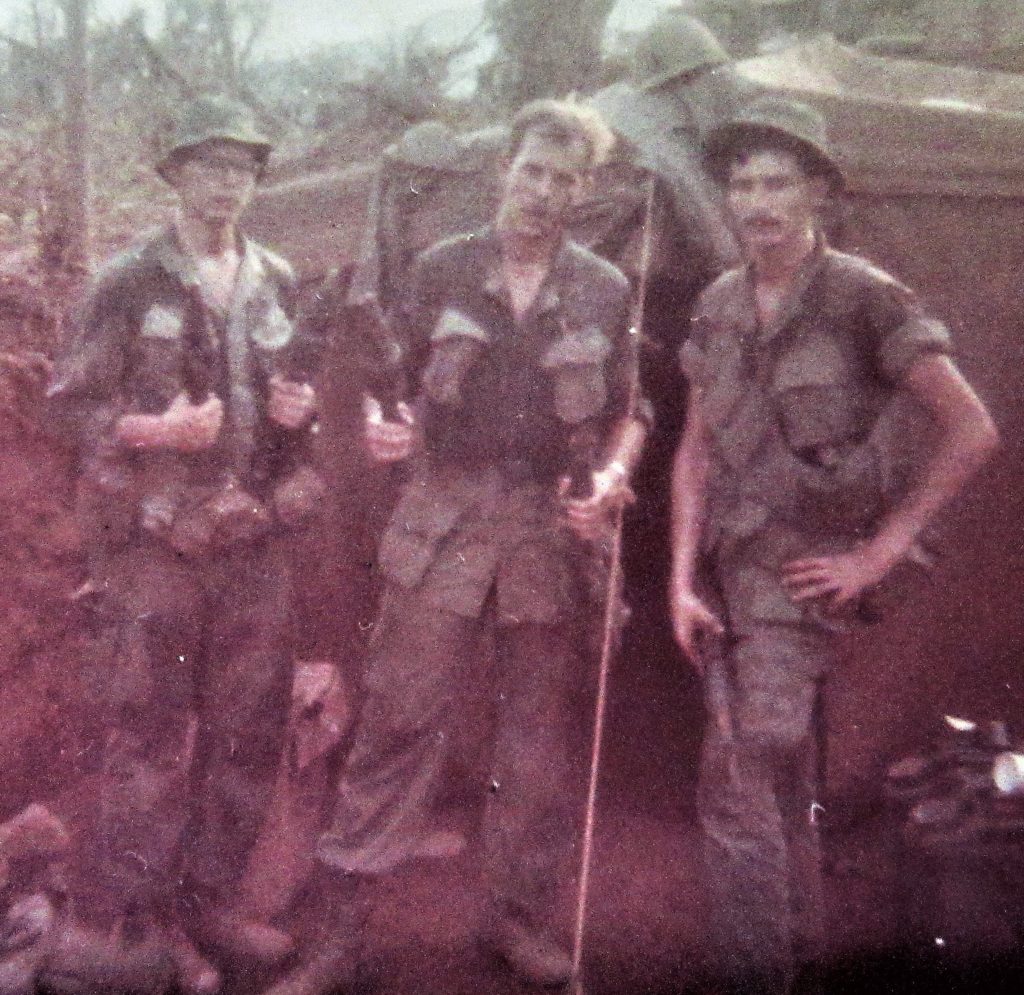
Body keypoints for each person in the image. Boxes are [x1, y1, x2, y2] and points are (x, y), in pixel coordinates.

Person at [266, 99, 646, 995]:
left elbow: (635, 410)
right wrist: (382, 423)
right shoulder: (442, 266)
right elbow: (378, 375)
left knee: (534, 746)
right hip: (442, 519)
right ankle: (340, 934)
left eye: (563, 179)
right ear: (502, 173)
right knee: (397, 721)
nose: (543, 193)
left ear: (583, 193)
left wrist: (611, 475)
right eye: (531, 172)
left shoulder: (602, 287)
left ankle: (514, 918)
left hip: (547, 534)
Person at [669, 96, 998, 993]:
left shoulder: (864, 296)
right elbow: (695, 452)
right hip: (732, 572)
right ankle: (800, 953)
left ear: (817, 191)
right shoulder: (720, 302)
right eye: (741, 182)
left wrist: (877, 554)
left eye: (778, 181)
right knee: (777, 775)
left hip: (807, 576)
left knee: (738, 777)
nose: (756, 201)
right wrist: (678, 580)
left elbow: (972, 430)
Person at [46, 94, 321, 994]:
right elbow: (69, 408)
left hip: (250, 541)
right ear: (175, 176)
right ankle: (145, 922)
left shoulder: (275, 276)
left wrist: (297, 412)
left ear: (254, 181)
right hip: (159, 551)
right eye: (206, 165)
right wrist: (154, 434)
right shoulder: (129, 281)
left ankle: (209, 902)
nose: (224, 183)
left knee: (248, 733)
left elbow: (294, 413)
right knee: (152, 739)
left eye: (240, 167)